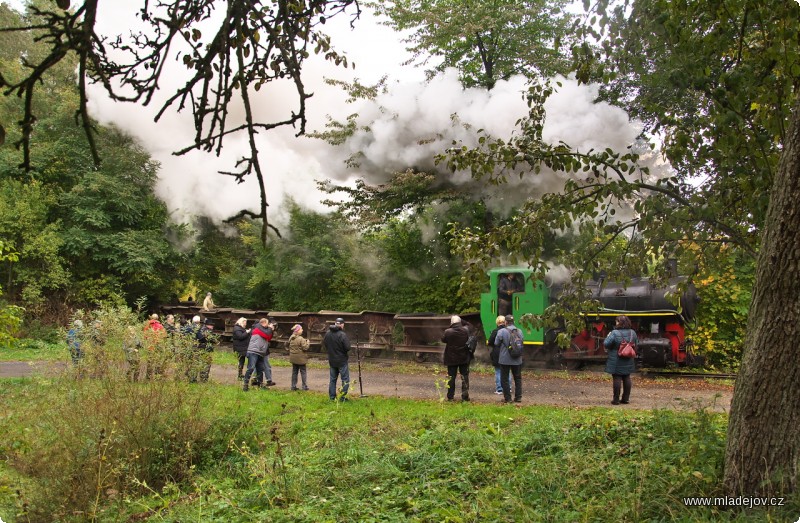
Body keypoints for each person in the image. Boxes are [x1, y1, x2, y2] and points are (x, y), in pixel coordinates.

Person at [603, 315, 638, 405]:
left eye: (617, 321)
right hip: (628, 358)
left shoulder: (614, 333)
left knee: (617, 377)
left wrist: (608, 336)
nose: (616, 323)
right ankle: (625, 399)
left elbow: (606, 344)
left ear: (620, 323)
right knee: (627, 377)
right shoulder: (632, 332)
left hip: (616, 359)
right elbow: (636, 343)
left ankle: (616, 400)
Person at [441, 315, 471, 402]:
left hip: (451, 358)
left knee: (451, 378)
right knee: (464, 377)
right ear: (460, 322)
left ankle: (450, 397)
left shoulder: (448, 332)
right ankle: (465, 397)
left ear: (452, 322)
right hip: (464, 357)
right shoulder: (466, 330)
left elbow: (443, 340)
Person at [495, 314, 523, 403]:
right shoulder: (519, 331)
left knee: (504, 378)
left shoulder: (502, 331)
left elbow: (496, 343)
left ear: (506, 322)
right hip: (517, 359)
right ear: (513, 321)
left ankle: (508, 398)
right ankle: (518, 397)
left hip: (505, 359)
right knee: (518, 378)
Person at [324, 318, 351, 401]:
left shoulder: (327, 333)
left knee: (332, 380)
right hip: (342, 361)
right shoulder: (342, 335)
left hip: (332, 360)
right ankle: (342, 398)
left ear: (335, 323)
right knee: (345, 380)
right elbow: (347, 347)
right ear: (342, 325)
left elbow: (325, 344)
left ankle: (332, 397)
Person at [243, 318, 271, 391]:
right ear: (264, 323)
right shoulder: (257, 329)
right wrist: (271, 328)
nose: (268, 325)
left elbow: (269, 337)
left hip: (260, 352)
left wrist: (271, 330)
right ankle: (245, 385)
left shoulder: (262, 329)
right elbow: (267, 335)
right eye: (267, 323)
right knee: (251, 368)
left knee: (260, 369)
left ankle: (260, 385)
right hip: (254, 351)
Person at [488, 315, 507, 395]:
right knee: (507, 371)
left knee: (498, 370)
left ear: (497, 322)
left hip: (497, 352)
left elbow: (490, 342)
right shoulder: (508, 330)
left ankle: (499, 389)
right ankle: (508, 388)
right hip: (506, 352)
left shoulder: (495, 331)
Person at [143, 313, 166, 379]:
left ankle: (148, 376)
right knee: (158, 361)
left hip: (150, 346)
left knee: (150, 361)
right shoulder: (160, 326)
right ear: (157, 318)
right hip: (158, 345)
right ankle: (157, 376)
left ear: (151, 318)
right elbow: (164, 336)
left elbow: (145, 336)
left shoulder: (147, 326)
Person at [288, 324, 310, 391]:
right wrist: (308, 343)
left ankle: (293, 386)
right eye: (301, 329)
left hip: (293, 358)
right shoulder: (301, 339)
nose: (302, 330)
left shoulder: (291, 337)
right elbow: (305, 348)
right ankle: (304, 386)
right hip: (301, 359)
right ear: (298, 331)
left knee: (294, 372)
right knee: (303, 372)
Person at [194, 318, 216, 382]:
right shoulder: (207, 331)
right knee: (206, 364)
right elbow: (212, 339)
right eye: (211, 325)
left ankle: (199, 377)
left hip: (201, 349)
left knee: (201, 363)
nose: (212, 326)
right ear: (207, 325)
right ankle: (204, 378)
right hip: (206, 349)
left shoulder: (201, 329)